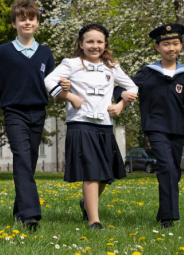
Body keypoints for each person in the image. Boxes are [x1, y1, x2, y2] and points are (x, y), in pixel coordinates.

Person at [112, 23, 184, 229]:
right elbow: (125, 85)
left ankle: (163, 211)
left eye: (175, 43)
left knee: (174, 171)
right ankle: (168, 218)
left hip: (177, 128)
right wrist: (121, 95)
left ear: (181, 45)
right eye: (166, 44)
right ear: (157, 48)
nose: (171, 48)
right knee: (166, 166)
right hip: (154, 127)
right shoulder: (148, 72)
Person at [43, 23, 137, 230]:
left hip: (104, 125)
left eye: (99, 42)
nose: (95, 46)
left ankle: (86, 204)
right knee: (92, 171)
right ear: (81, 43)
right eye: (90, 42)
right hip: (80, 124)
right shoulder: (71, 63)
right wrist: (69, 97)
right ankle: (94, 221)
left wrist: (120, 104)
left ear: (105, 44)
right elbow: (48, 81)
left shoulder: (112, 67)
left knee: (105, 174)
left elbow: (132, 87)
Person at [0, 0, 55, 230]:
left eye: (31, 19)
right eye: (22, 19)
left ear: (37, 22)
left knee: (30, 162)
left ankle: (19, 210)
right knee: (23, 159)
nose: (27, 23)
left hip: (38, 112)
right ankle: (30, 215)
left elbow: (51, 83)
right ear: (14, 23)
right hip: (14, 112)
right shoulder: (3, 51)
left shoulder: (45, 53)